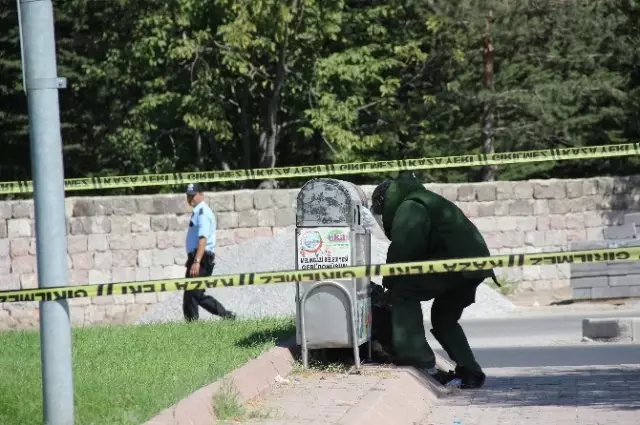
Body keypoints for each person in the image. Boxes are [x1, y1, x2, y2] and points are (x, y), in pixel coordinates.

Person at [370, 172, 499, 389]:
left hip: (456, 265)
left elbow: (404, 249)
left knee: (404, 291)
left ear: (386, 202)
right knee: (443, 319)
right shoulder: (424, 199)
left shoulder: (410, 207)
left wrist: (389, 285)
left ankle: (418, 360)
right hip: (473, 267)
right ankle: (471, 372)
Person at [183, 182, 236, 322]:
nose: (190, 199)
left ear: (201, 194)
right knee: (191, 294)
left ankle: (226, 315)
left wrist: (196, 261)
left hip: (202, 258)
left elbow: (202, 239)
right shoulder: (198, 212)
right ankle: (191, 325)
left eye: (193, 195)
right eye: (188, 196)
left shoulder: (202, 213)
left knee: (195, 294)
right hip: (197, 257)